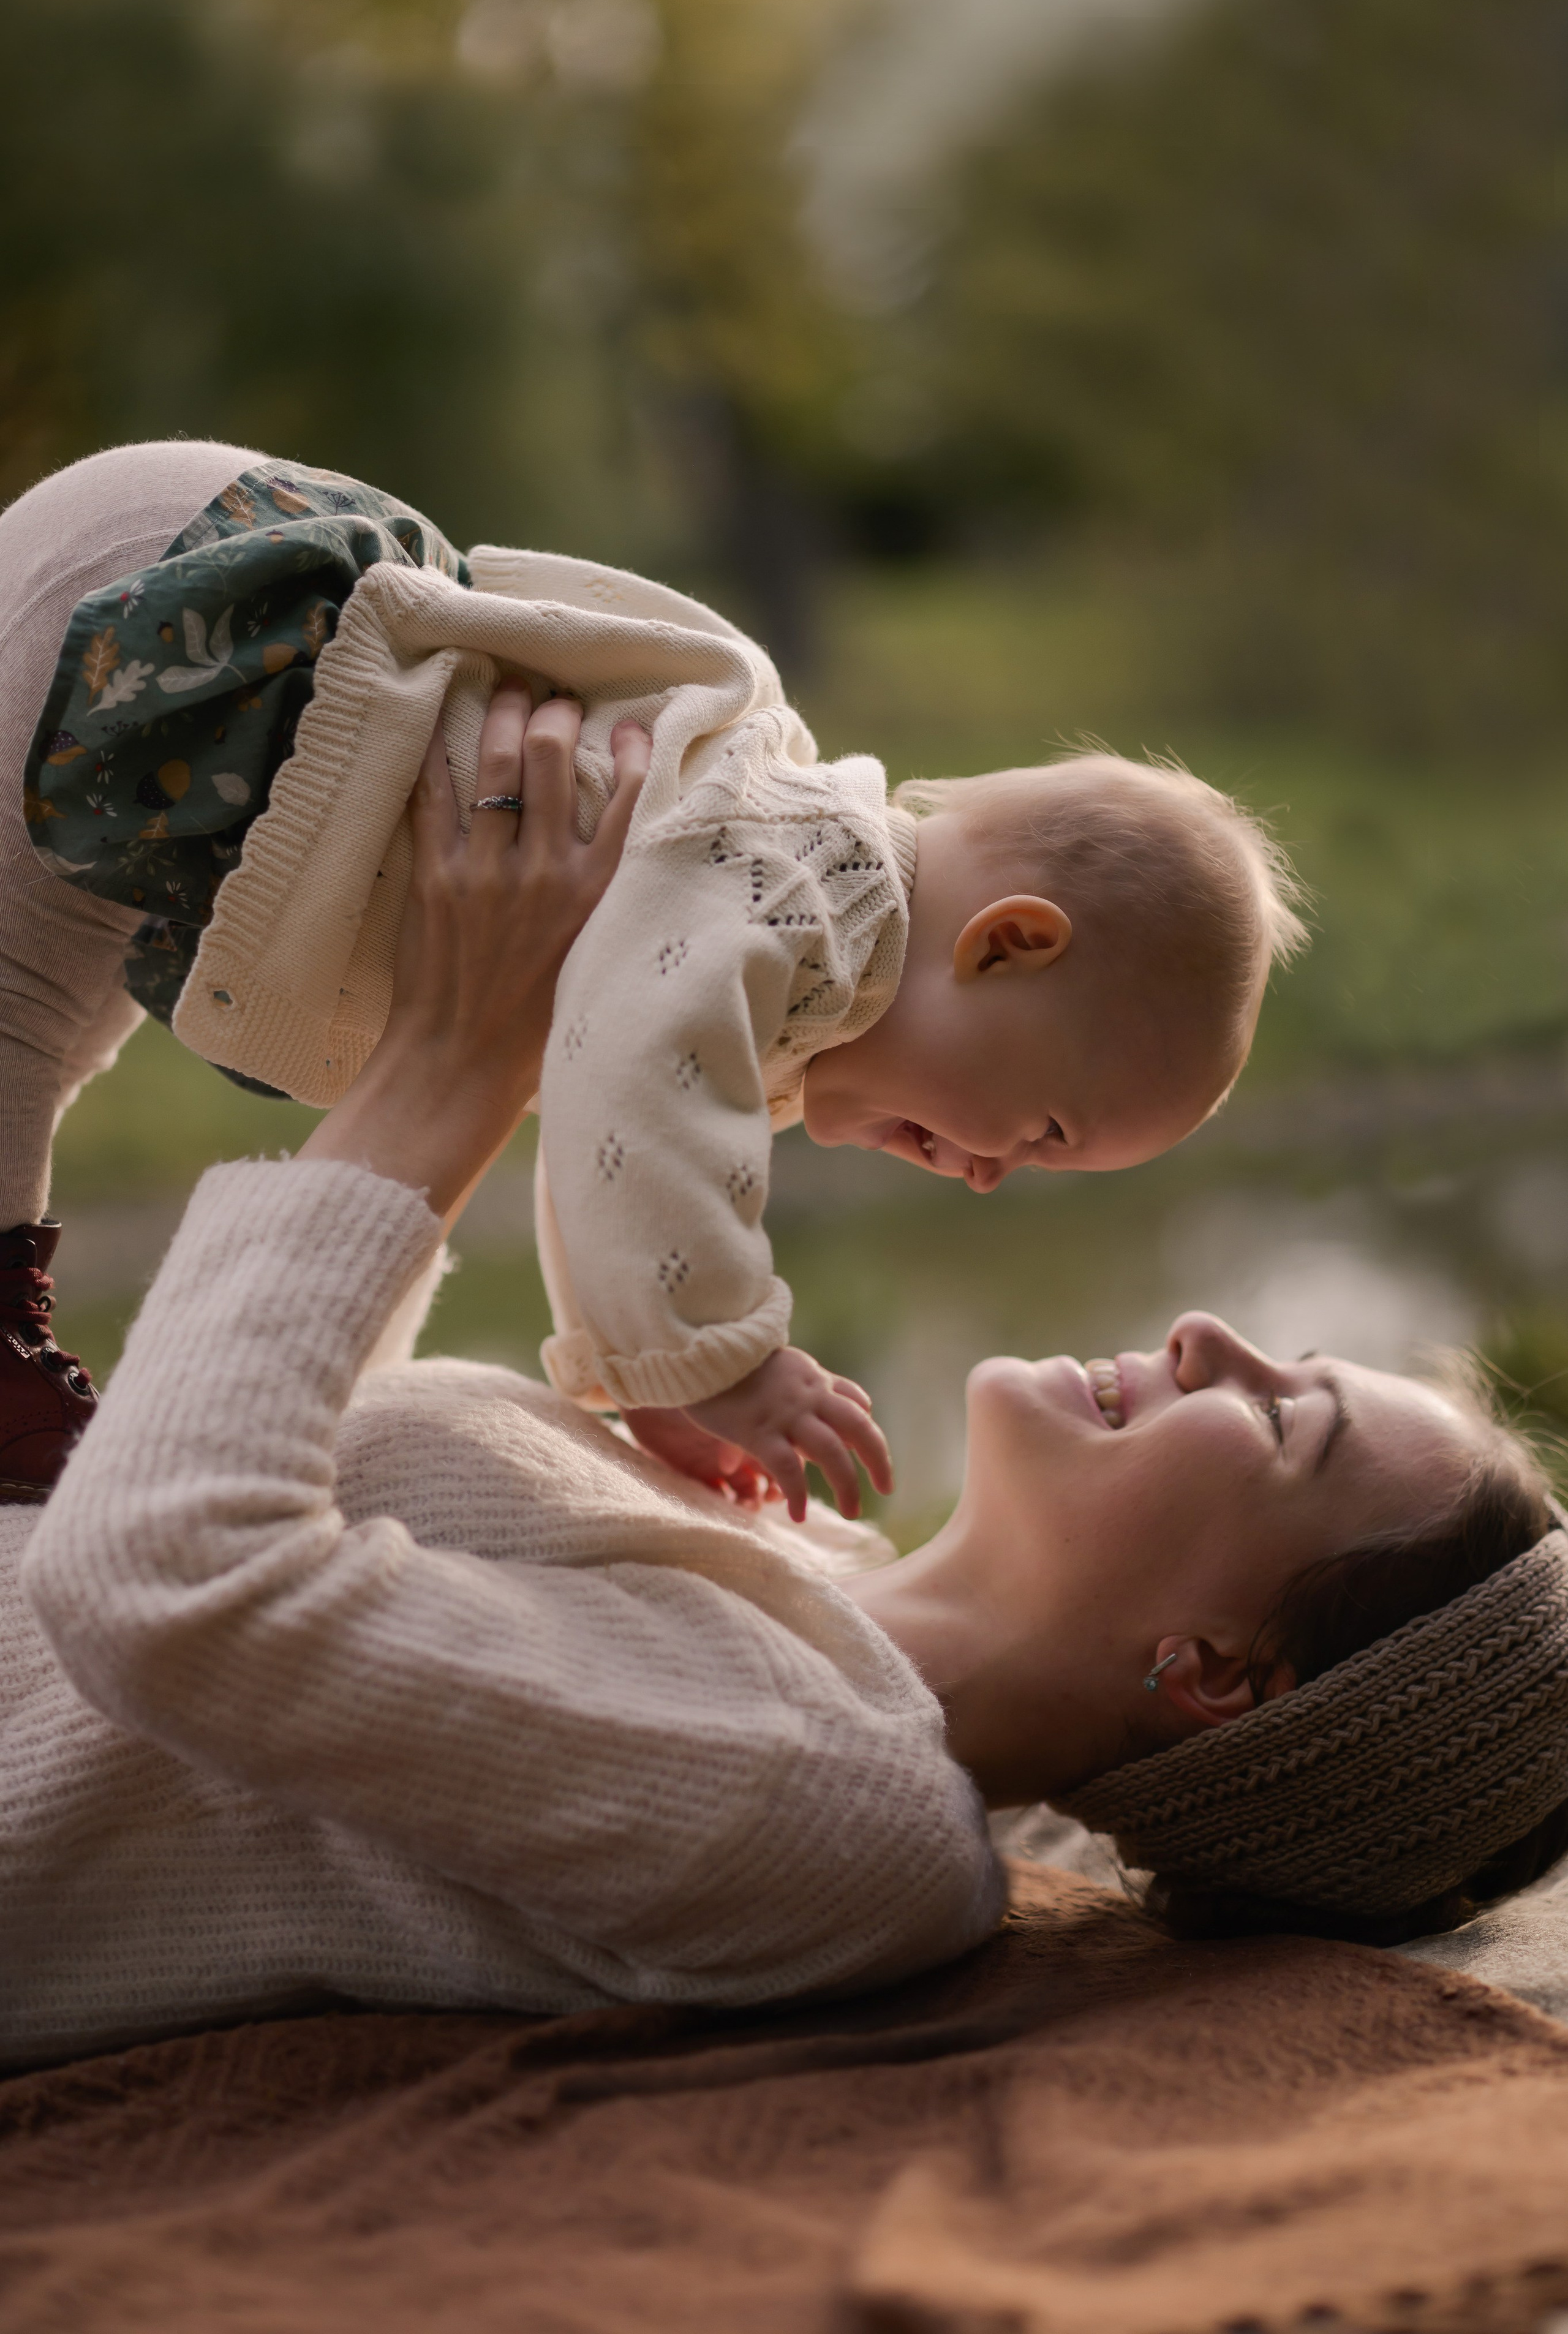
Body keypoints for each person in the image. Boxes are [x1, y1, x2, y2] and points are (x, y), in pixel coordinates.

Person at [5, 687, 1567, 2071]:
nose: (1203, 1335)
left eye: (1282, 1416)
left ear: (1216, 1673)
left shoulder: (832, 1801)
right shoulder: (797, 1549)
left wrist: (458, 1059)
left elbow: (167, 1577)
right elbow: (267, 1471)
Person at [0, 440, 1305, 1511]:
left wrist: (647, 1375)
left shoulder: (765, 945)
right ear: (1008, 944)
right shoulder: (814, 880)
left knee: (40, 1039)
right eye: (1039, 1131)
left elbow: (605, 1129)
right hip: (199, 624)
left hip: (189, 639)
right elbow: (638, 1078)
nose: (981, 1172)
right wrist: (719, 1359)